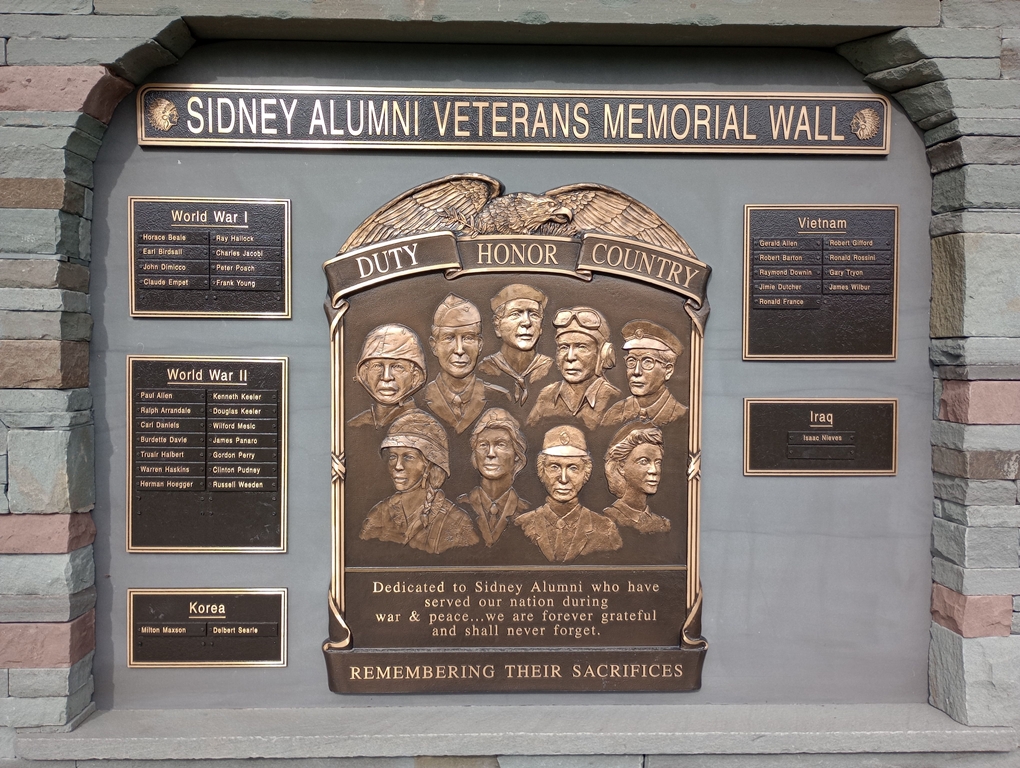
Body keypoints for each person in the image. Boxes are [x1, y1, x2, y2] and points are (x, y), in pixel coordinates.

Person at [360, 410, 479, 554]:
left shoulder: (457, 523)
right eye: (392, 457)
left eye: (408, 457)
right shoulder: (379, 515)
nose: (397, 466)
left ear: (430, 465)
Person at [515, 425, 622, 562]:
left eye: (573, 468)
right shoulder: (521, 526)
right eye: (554, 467)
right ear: (541, 471)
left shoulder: (605, 530)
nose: (563, 479)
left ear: (586, 473)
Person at [423, 294, 510, 434]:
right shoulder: (420, 399)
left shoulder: (500, 397)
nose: (459, 350)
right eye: (449, 338)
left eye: (468, 338)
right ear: (434, 346)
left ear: (480, 344)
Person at [526, 307, 620, 430]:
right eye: (564, 347)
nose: (570, 357)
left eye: (581, 347)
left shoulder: (614, 400)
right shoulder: (546, 396)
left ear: (603, 354)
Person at [458, 408, 530, 547]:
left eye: (500, 444)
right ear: (475, 453)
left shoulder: (528, 511)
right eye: (483, 445)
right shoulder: (459, 508)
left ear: (517, 454)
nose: (490, 453)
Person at [602, 320, 687, 428]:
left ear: (668, 370)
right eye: (631, 361)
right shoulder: (614, 414)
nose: (637, 371)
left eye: (647, 362)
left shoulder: (681, 415)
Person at [478, 284, 553, 405]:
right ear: (497, 326)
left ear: (541, 327)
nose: (527, 322)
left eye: (534, 314)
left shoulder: (552, 368)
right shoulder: (483, 369)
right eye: (516, 314)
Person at [348, 324, 427, 429]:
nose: (386, 377)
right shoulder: (354, 425)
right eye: (377, 366)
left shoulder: (426, 428)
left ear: (416, 377)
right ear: (364, 374)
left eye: (398, 367)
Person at [603, 421, 670, 534]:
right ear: (621, 467)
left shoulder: (663, 525)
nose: (654, 470)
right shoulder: (606, 520)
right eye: (644, 461)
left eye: (658, 462)